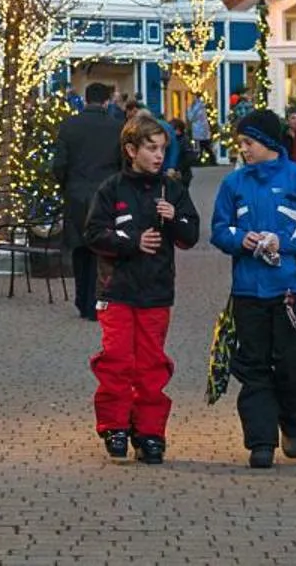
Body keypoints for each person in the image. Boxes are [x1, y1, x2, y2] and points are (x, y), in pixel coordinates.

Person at [210, 108, 296, 469]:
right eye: (241, 142)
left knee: (294, 363)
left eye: (248, 142)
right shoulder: (233, 184)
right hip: (248, 291)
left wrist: (284, 241)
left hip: (292, 290)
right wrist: (240, 239)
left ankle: (293, 424)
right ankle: (261, 440)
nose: (243, 149)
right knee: (253, 366)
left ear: (268, 143)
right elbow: (219, 229)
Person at [83, 112, 201, 465]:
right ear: (131, 150)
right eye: (151, 148)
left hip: (156, 292)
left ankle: (150, 432)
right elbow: (94, 234)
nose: (158, 156)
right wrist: (132, 242)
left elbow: (190, 236)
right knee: (117, 361)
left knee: (151, 365)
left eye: (162, 149)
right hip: (117, 290)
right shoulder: (111, 189)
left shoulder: (173, 189)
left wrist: (174, 219)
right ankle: (115, 426)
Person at [51, 82, 125, 321]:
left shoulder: (69, 126)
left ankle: (82, 300)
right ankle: (98, 301)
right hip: (105, 195)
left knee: (79, 248)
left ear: (86, 99)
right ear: (106, 101)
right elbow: (123, 164)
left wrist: (68, 185)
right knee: (101, 250)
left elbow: (59, 164)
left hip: (76, 194)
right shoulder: (117, 128)